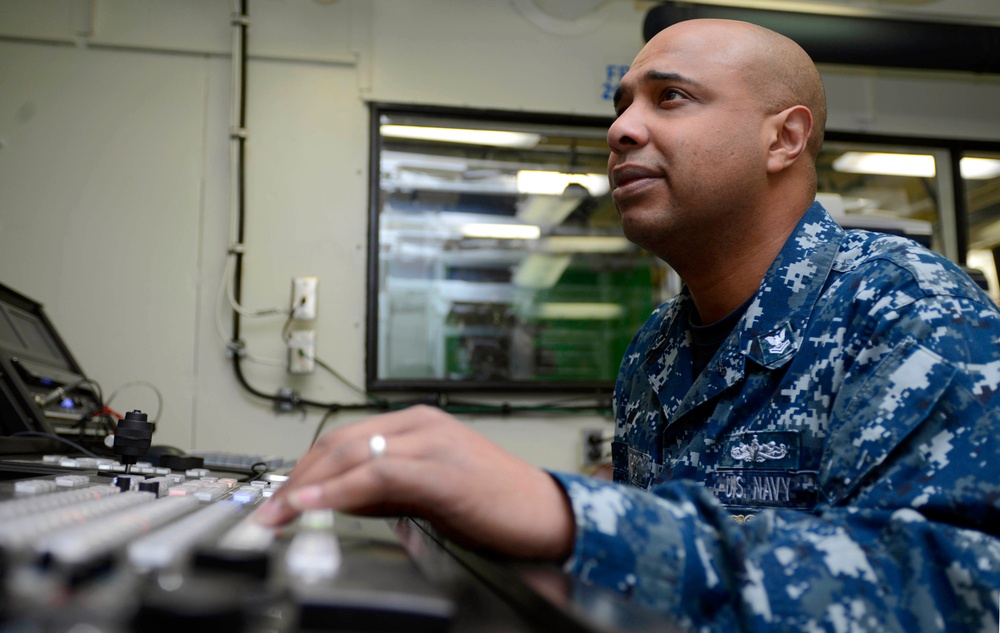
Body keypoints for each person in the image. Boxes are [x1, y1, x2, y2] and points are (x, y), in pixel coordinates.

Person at [254, 18, 1000, 632]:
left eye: (669, 98)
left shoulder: (910, 309)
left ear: (784, 138)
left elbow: (956, 590)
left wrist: (564, 513)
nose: (620, 129)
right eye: (621, 105)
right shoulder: (655, 349)